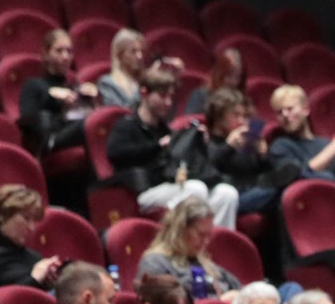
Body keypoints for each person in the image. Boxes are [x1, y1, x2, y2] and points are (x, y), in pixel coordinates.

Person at [106, 66, 240, 227]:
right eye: (162, 96)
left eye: (170, 97)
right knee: (196, 189)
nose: (168, 102)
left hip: (167, 185)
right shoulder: (127, 125)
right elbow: (115, 154)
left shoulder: (166, 130)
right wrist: (157, 147)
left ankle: (214, 241)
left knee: (227, 193)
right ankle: (178, 240)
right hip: (141, 190)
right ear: (144, 93)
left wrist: (199, 145)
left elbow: (178, 164)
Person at [137, 196, 243, 303]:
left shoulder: (203, 261)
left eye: (208, 235)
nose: (206, 241)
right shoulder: (154, 263)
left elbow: (239, 289)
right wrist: (219, 302)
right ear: (180, 230)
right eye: (201, 234)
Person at [203, 87, 282, 216]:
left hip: (252, 191)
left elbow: (262, 172)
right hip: (227, 198)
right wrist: (228, 147)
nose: (241, 121)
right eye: (236, 115)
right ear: (219, 117)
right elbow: (212, 168)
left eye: (244, 116)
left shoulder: (244, 142)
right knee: (278, 189)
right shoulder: (207, 142)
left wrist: (262, 155)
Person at [18, 29, 98, 155]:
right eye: (59, 51)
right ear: (46, 54)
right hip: (50, 140)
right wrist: (52, 97)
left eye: (69, 51)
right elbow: (26, 120)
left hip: (75, 136)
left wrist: (93, 102)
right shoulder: (33, 85)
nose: (65, 57)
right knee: (89, 125)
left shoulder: (74, 87)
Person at [269, 84, 335, 186]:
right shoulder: (280, 146)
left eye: (290, 109)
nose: (285, 115)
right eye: (279, 112)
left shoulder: (325, 143)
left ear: (306, 110)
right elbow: (299, 176)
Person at [0, 184, 61, 289]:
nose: (31, 228)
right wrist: (34, 279)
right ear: (3, 216)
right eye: (26, 218)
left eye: (34, 220)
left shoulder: (35, 257)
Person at [183, 46, 244, 119]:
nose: (234, 82)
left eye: (237, 77)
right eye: (229, 75)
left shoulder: (240, 99)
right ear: (219, 74)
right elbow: (189, 122)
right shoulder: (200, 95)